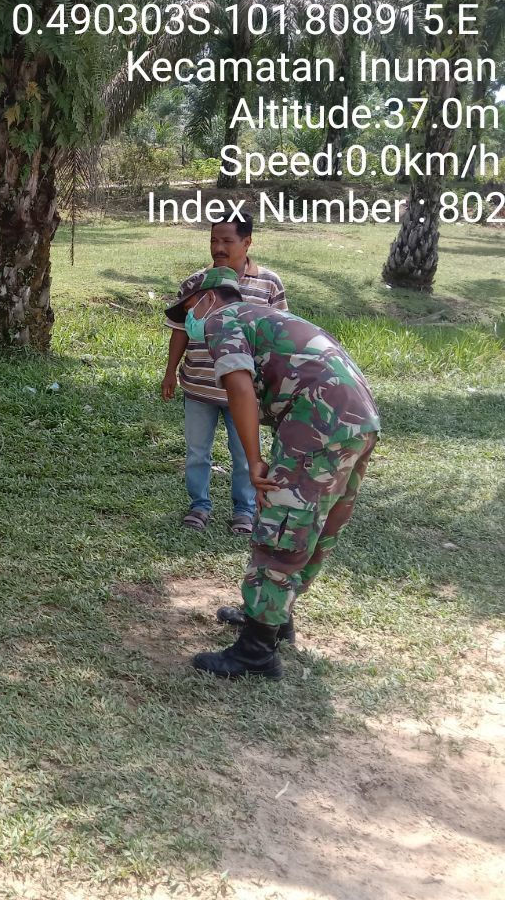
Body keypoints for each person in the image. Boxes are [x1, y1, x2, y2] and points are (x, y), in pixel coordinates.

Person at [164, 267, 381, 680]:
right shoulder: (262, 317)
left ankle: (256, 652)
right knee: (316, 526)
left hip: (318, 419)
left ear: (208, 298)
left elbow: (239, 388)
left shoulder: (221, 320)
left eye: (188, 308)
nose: (187, 319)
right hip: (358, 419)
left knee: (282, 527)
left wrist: (254, 459)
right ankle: (275, 618)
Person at [163, 214, 287, 536]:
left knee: (246, 454)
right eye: (213, 241)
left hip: (245, 394)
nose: (218, 248)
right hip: (199, 386)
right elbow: (179, 331)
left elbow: (277, 335)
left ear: (247, 242)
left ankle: (244, 511)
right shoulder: (196, 283)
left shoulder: (268, 284)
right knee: (196, 452)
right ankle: (199, 506)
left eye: (227, 241)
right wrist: (170, 373)